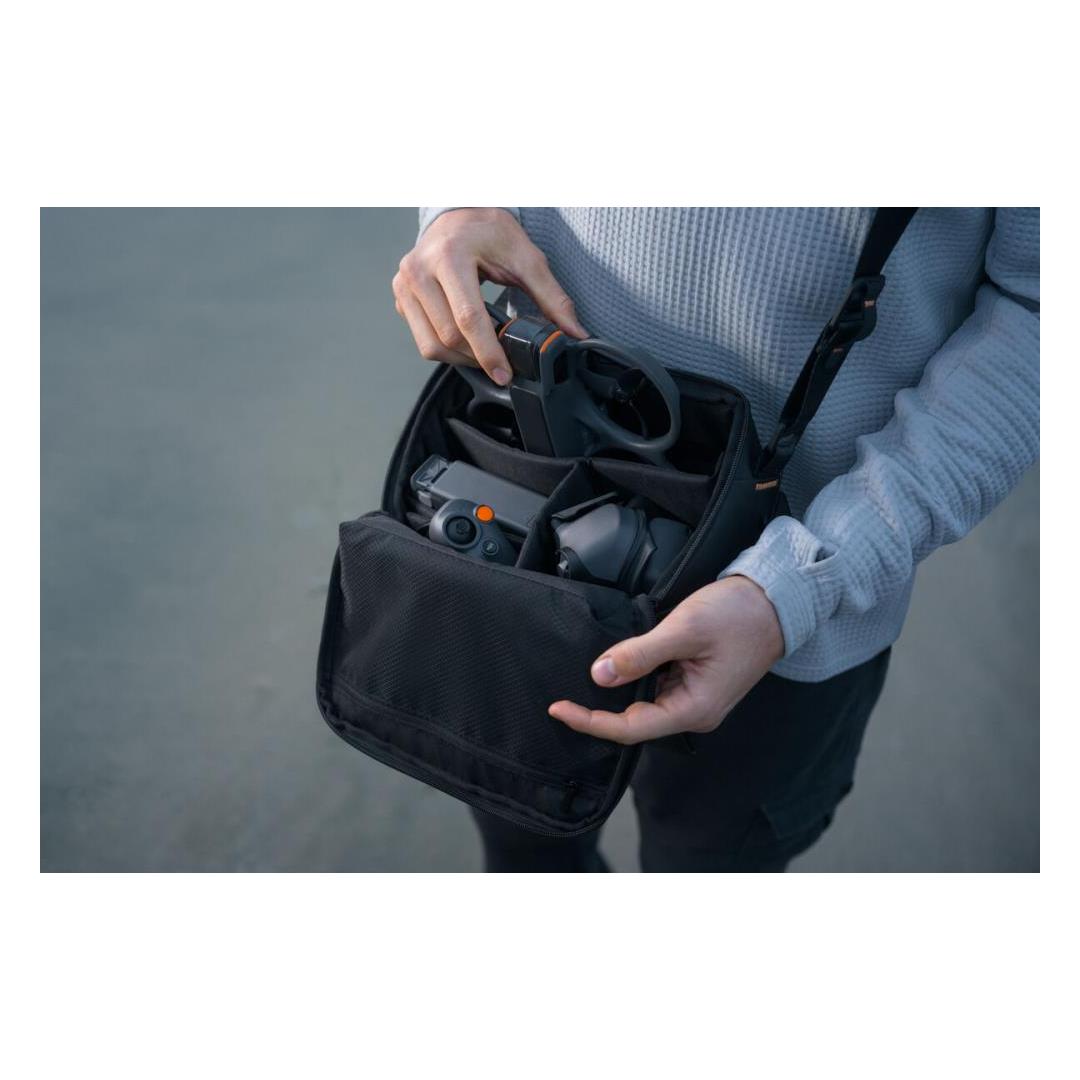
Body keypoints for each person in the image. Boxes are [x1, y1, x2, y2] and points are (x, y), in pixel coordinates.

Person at [392, 207, 1040, 872]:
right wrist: (455, 211)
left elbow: (1038, 312)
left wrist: (803, 584)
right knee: (525, 846)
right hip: (521, 530)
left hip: (791, 616)